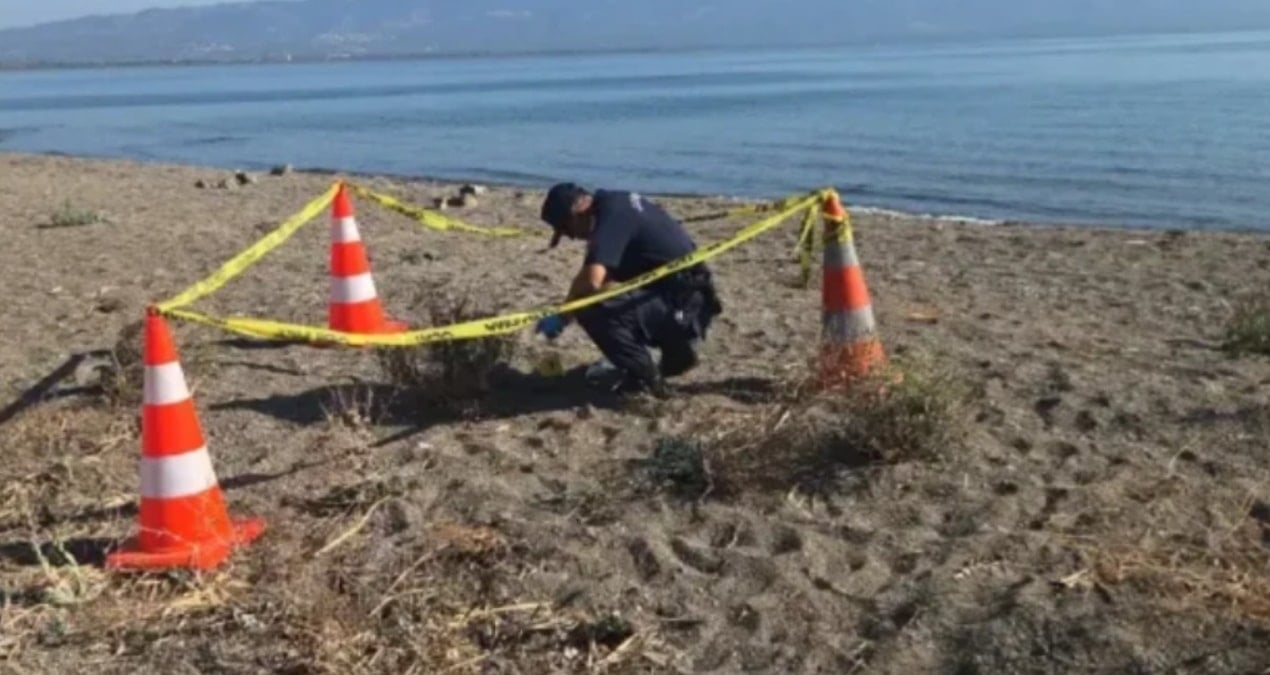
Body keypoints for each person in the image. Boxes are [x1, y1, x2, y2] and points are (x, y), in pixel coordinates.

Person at [535, 182, 723, 397]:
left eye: (566, 230)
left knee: (591, 310)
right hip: (683, 295)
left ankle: (646, 381)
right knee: (600, 299)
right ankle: (675, 353)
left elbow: (592, 281)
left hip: (685, 305)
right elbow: (601, 278)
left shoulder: (611, 218)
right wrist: (565, 313)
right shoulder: (615, 203)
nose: (572, 237)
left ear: (576, 213)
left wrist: (564, 314)